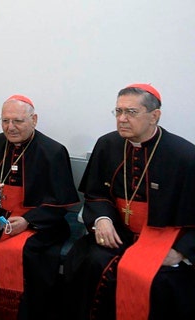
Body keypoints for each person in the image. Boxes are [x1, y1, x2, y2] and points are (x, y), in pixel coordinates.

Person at [64, 83, 195, 320]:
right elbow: (95, 193)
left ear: (155, 116)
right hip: (117, 232)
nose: (122, 119)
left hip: (162, 238)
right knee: (92, 262)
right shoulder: (107, 144)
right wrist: (102, 219)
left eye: (131, 112)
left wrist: (181, 252)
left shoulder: (185, 155)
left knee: (160, 280)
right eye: (118, 111)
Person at [0, 95, 79, 319]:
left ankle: (18, 313)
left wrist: (28, 221)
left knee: (27, 251)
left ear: (34, 119)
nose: (10, 127)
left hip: (36, 223)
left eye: (18, 121)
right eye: (5, 121)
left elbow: (60, 203)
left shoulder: (53, 151)